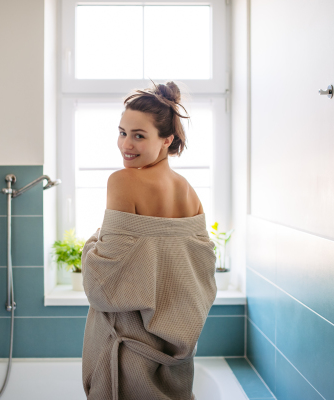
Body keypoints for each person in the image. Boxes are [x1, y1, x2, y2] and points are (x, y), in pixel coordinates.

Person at [80, 80, 217, 400]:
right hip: (175, 362)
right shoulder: (190, 193)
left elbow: (102, 286)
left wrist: (92, 243)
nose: (125, 144)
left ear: (167, 139)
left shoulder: (123, 181)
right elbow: (196, 279)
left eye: (139, 135)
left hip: (130, 361)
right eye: (122, 132)